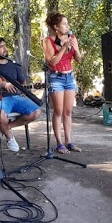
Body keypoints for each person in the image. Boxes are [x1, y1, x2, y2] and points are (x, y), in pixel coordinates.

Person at [0, 37, 41, 152]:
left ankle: (6, 128)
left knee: (36, 112)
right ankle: (10, 137)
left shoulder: (14, 65)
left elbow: (23, 83)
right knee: (0, 115)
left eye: (5, 46)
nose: (5, 49)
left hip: (15, 98)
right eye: (1, 47)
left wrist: (25, 91)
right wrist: (3, 85)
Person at [42, 13, 83, 154]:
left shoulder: (72, 38)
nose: (67, 26)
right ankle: (59, 143)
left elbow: (78, 59)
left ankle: (69, 141)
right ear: (56, 27)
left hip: (69, 77)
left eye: (67, 23)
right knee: (58, 111)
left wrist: (75, 50)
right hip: (56, 77)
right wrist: (65, 47)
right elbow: (52, 61)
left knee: (68, 111)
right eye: (64, 24)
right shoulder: (48, 41)